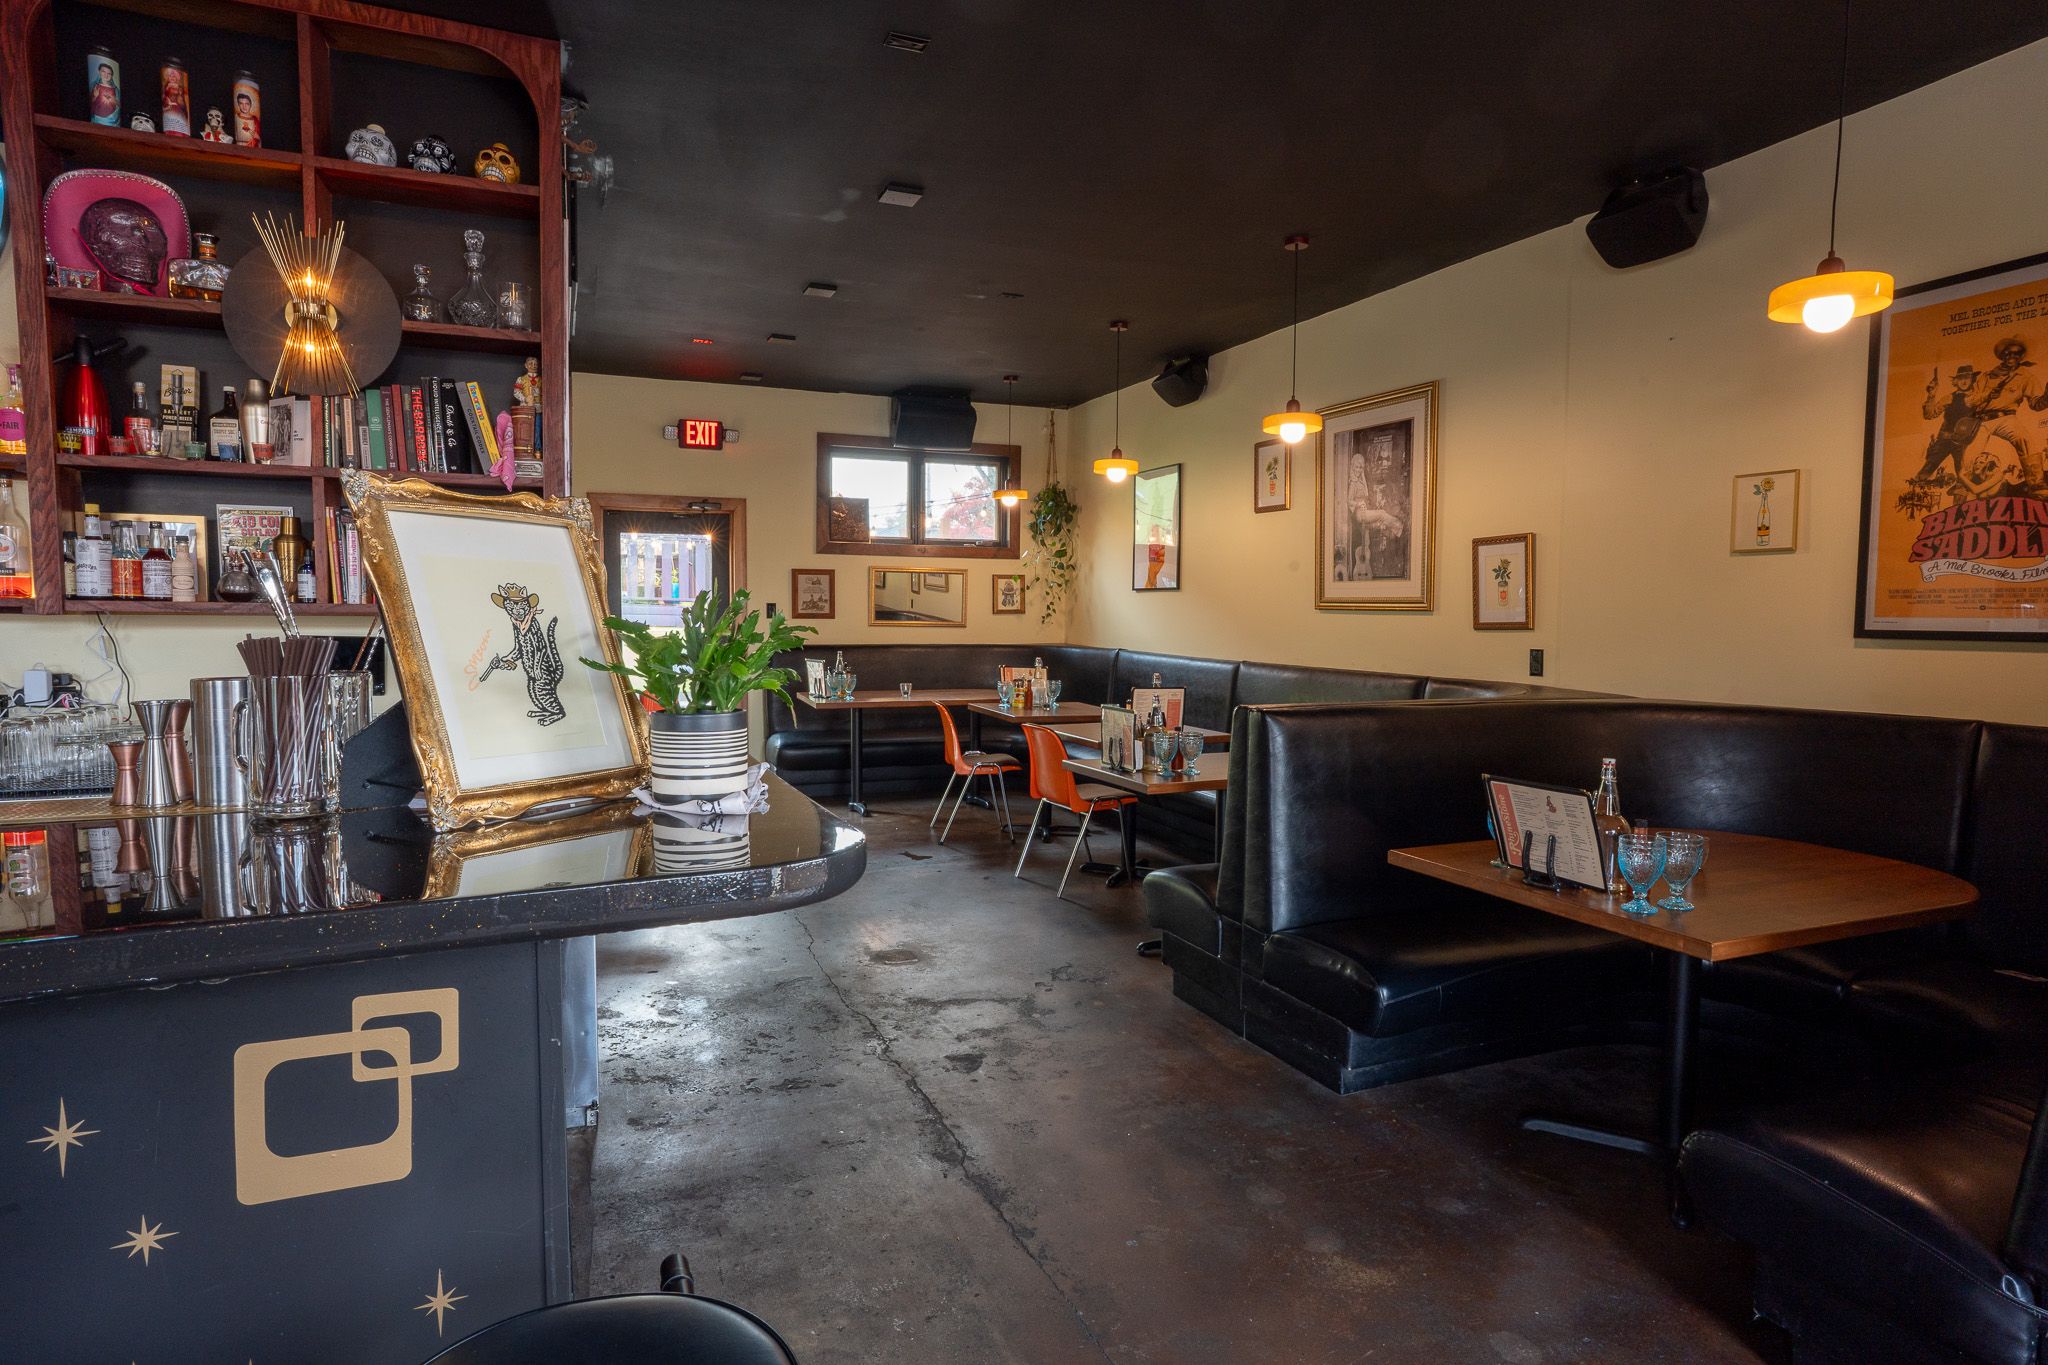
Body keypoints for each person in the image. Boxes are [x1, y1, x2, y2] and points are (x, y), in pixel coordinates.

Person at [1973, 337, 2048, 494]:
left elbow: (2036, 405)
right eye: (2007, 353)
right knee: (1969, 455)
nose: (2011, 357)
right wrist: (1987, 395)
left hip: (2006, 418)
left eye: (2016, 354)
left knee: (2026, 442)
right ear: (2002, 356)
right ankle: (1962, 491)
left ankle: (2037, 486)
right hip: (1980, 420)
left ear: (2021, 356)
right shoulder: (1986, 376)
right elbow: (1972, 401)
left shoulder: (2026, 377)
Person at [1912, 364, 1982, 483]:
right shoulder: (1949, 398)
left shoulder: (1979, 398)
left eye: (1967, 377)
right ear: (1955, 381)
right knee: (1926, 471)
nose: (1964, 381)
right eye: (1960, 378)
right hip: (1944, 440)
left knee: (1964, 476)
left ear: (1972, 379)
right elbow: (1929, 415)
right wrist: (1931, 395)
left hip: (1965, 443)